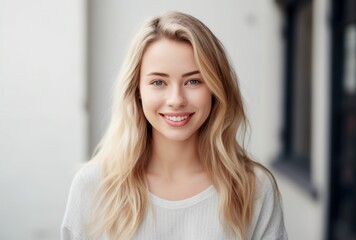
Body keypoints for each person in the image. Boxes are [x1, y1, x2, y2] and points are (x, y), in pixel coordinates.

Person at [61, 11, 288, 240]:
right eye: (158, 82)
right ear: (136, 91)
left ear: (215, 90)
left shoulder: (254, 188)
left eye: (193, 81)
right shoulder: (92, 187)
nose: (176, 99)